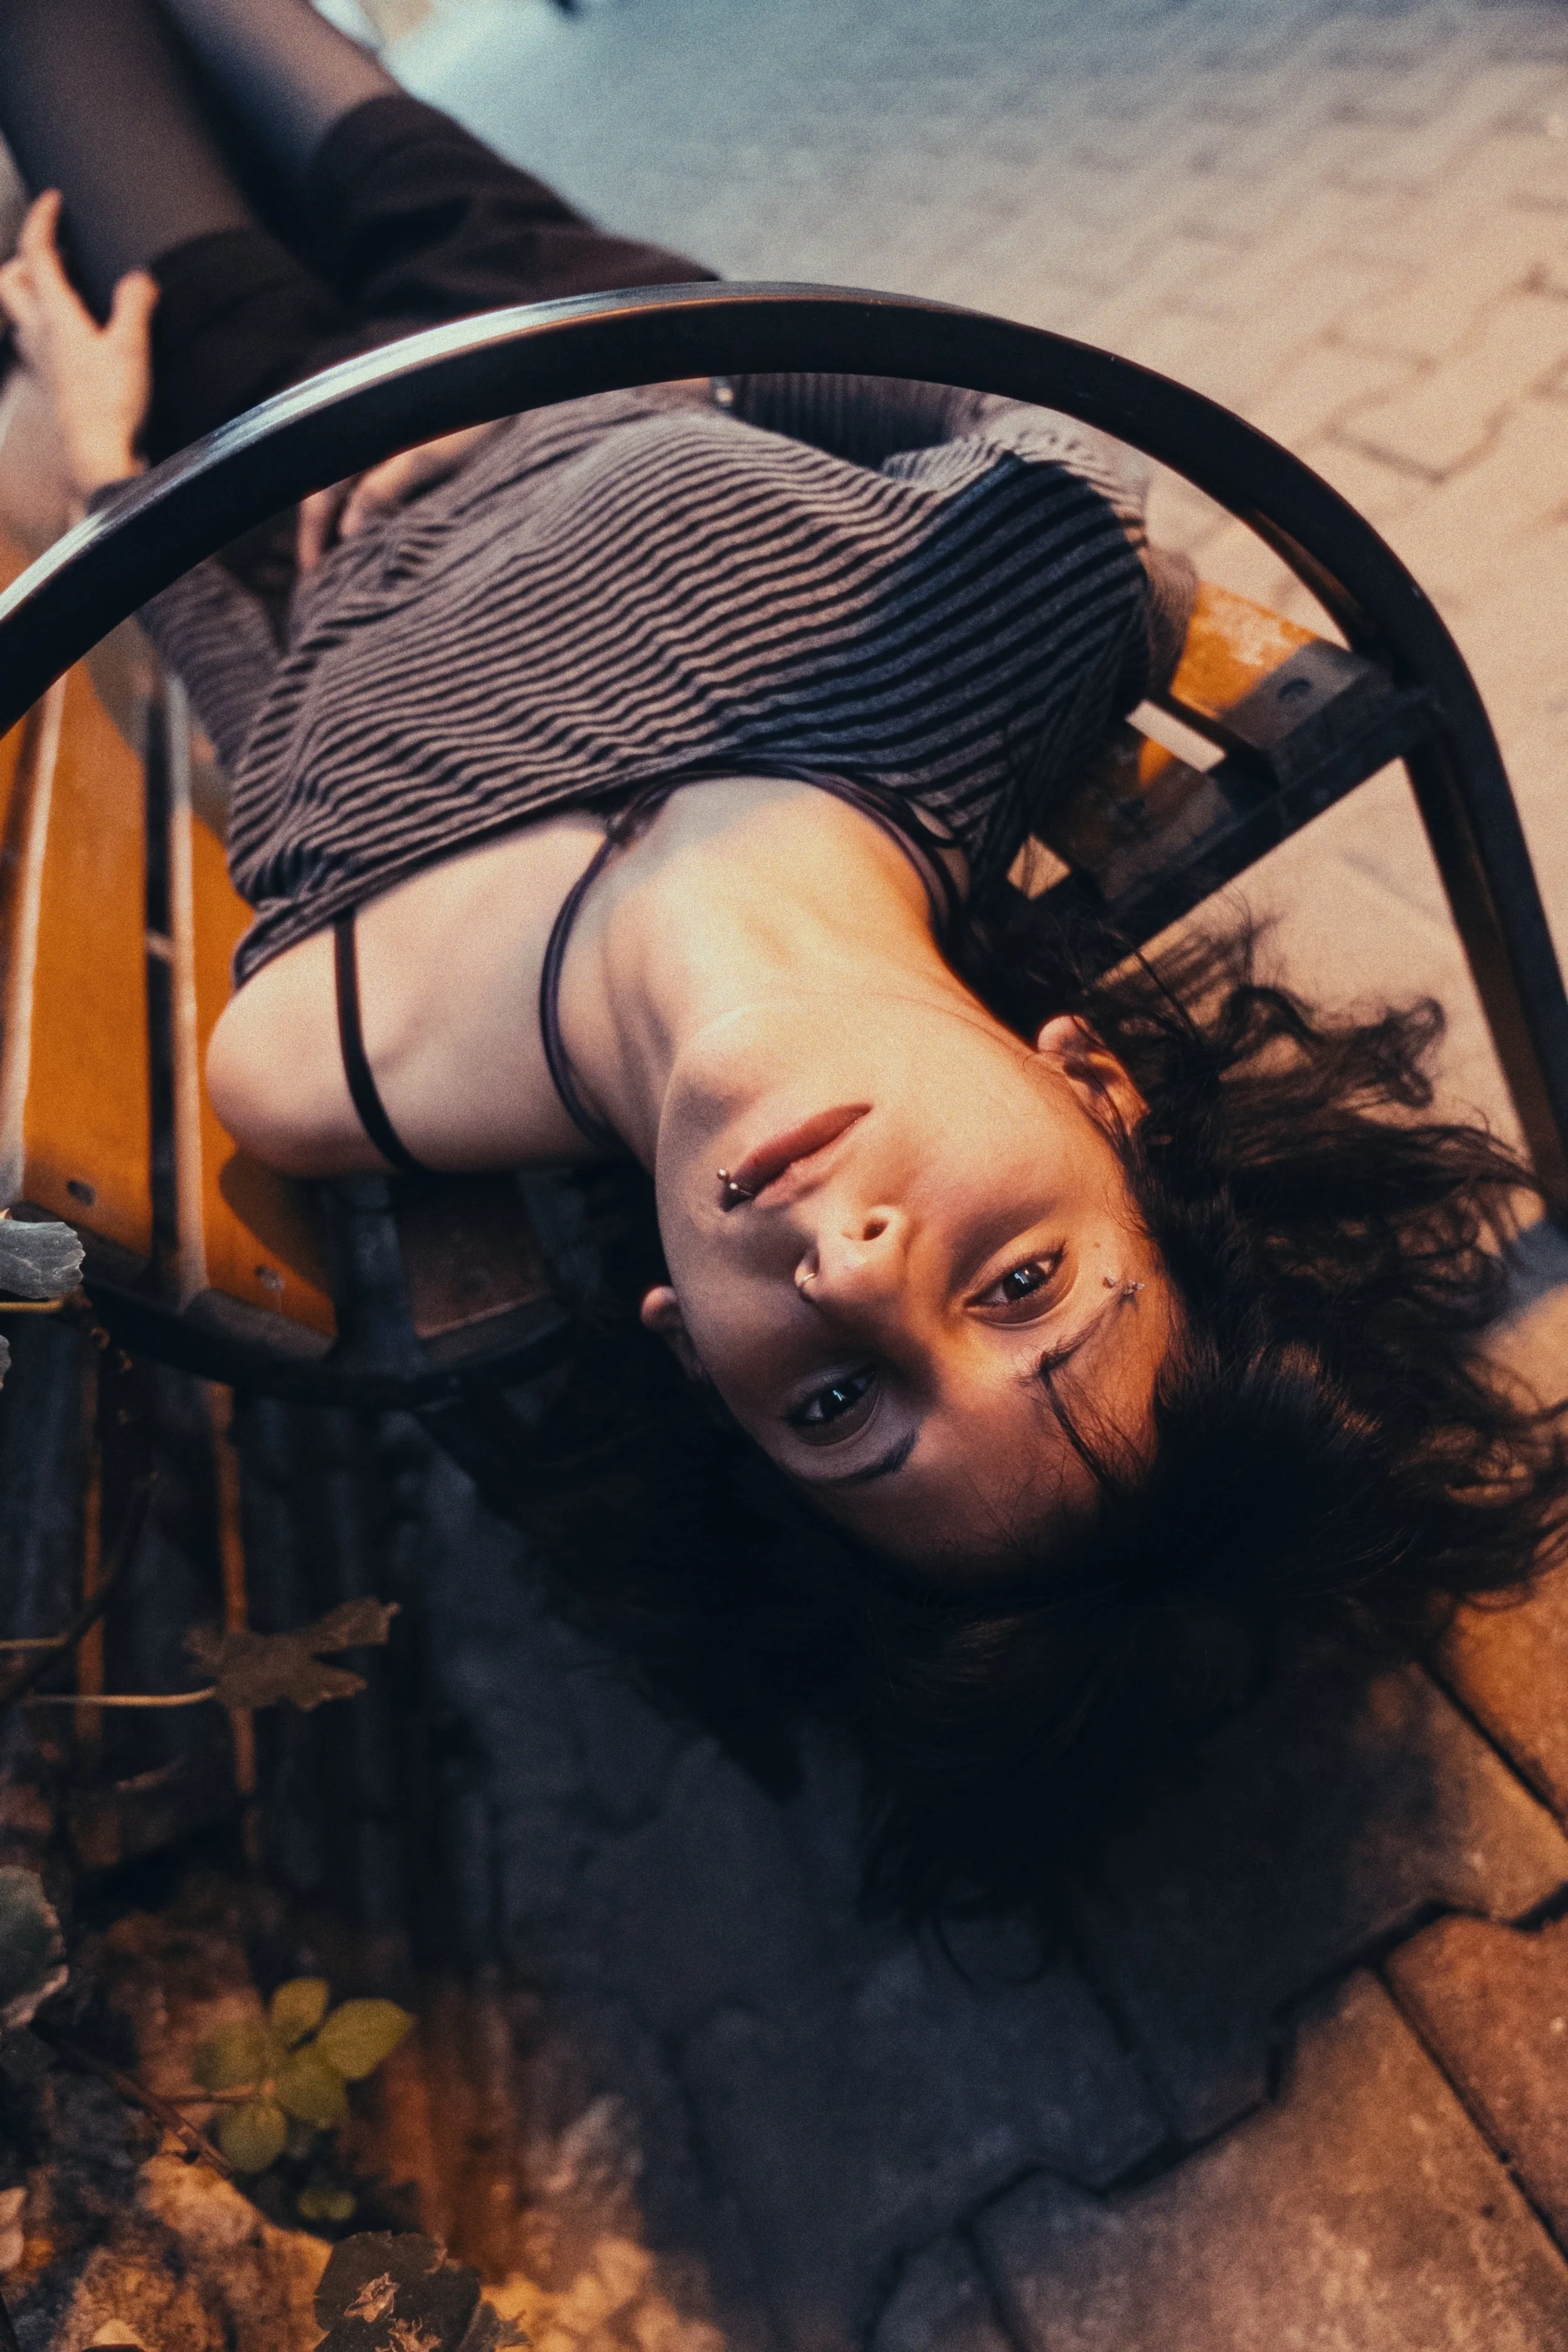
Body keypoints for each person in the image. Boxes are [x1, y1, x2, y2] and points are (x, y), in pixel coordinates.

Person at [2, 0, 1564, 1921]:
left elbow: (283, 742)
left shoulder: (333, 1055)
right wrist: (602, 376)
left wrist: (104, 488)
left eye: (836, 1404)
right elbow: (968, 409)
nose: (846, 1270)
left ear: (687, 1344)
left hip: (273, 429)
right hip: (563, 304)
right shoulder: (997, 630)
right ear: (1096, 1089)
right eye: (1018, 1281)